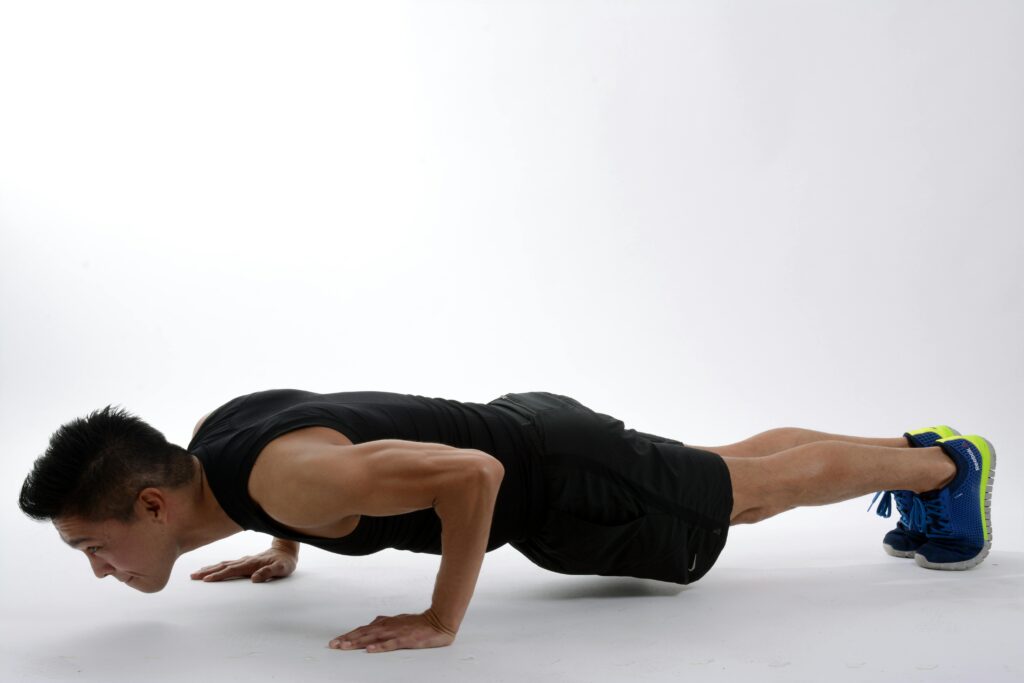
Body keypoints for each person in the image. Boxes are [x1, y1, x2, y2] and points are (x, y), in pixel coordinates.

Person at [17, 389, 996, 654]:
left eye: (91, 543)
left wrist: (442, 618)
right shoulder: (220, 448)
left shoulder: (290, 481)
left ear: (150, 501)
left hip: (551, 478)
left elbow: (470, 475)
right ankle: (920, 450)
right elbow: (306, 447)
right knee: (728, 465)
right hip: (541, 432)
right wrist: (285, 545)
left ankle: (945, 464)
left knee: (747, 490)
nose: (100, 567)